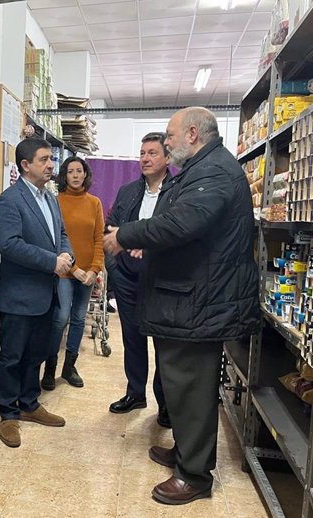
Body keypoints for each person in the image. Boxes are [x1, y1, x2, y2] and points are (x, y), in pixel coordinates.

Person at [103, 107, 259, 505]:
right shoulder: (203, 169)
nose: (165, 142)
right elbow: (181, 225)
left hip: (199, 301)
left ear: (192, 133)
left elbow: (181, 223)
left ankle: (194, 475)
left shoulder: (213, 173)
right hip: (191, 297)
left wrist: (127, 235)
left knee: (191, 385)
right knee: (184, 385)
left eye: (169, 136)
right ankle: (186, 452)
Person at [0, 137, 75, 448]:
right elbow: (10, 245)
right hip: (19, 295)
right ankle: (9, 414)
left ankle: (29, 404)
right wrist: (52, 262)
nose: (52, 165)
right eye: (44, 160)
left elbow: (61, 234)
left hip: (47, 293)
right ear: (26, 165)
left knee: (35, 354)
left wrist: (67, 256)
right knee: (12, 356)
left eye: (51, 159)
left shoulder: (50, 198)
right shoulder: (9, 200)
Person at [106, 132, 171, 428]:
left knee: (163, 343)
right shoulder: (128, 191)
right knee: (132, 339)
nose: (144, 158)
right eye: (142, 153)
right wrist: (115, 268)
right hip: (128, 277)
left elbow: (179, 233)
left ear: (167, 158)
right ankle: (135, 394)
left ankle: (165, 404)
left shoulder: (178, 191)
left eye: (152, 153)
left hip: (160, 280)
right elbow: (112, 227)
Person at [41, 157, 104, 390]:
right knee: (60, 318)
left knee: (79, 318)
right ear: (64, 176)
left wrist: (94, 269)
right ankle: (49, 367)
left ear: (85, 174)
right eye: (70, 171)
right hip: (65, 271)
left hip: (88, 274)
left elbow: (99, 238)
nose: (76, 175)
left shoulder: (94, 203)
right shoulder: (55, 202)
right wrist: (75, 269)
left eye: (79, 171)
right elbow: (55, 241)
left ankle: (69, 367)